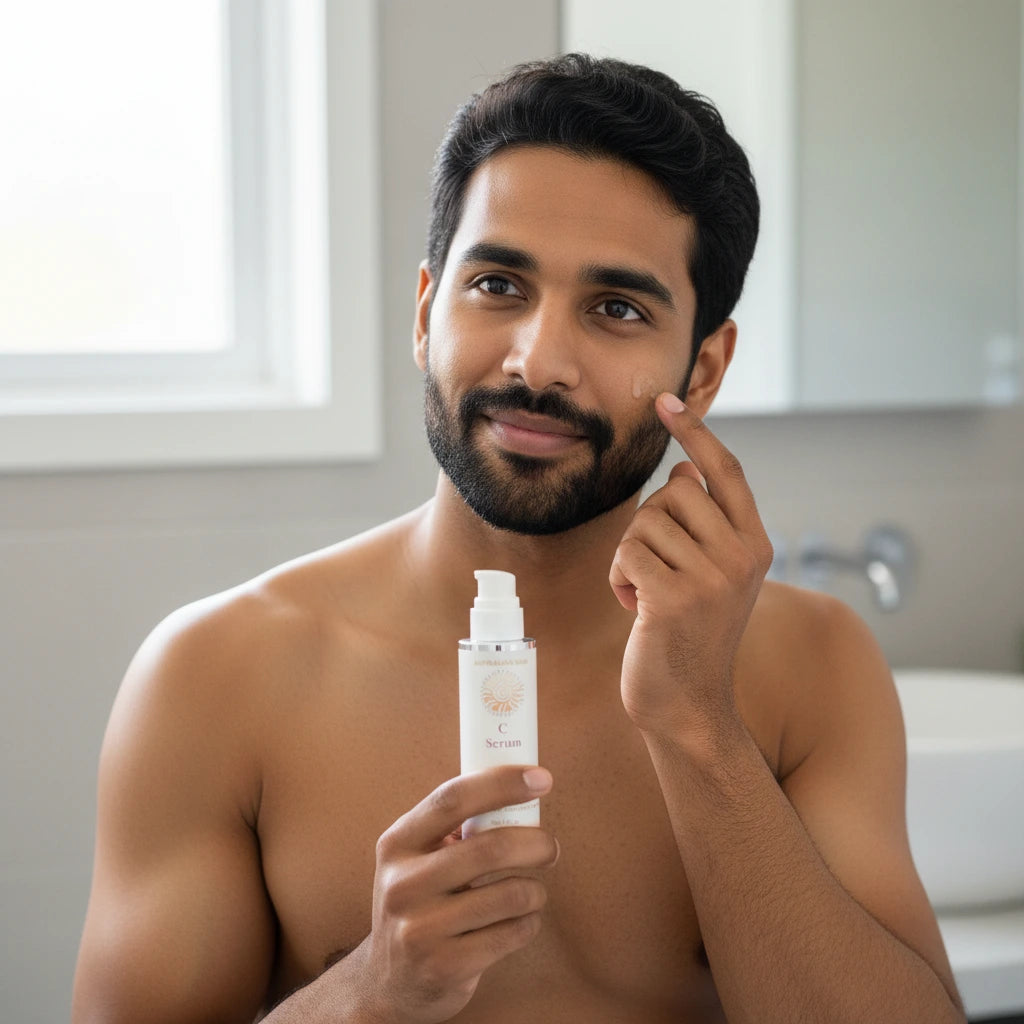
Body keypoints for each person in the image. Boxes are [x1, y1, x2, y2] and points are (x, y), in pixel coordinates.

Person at [73, 53, 966, 1023]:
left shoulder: (810, 669)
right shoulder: (214, 675)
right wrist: (371, 991)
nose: (538, 362)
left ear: (702, 370)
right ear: (425, 313)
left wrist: (700, 728)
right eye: (498, 285)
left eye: (616, 308)